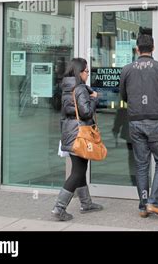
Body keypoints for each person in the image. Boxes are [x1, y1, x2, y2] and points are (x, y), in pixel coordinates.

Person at [119, 35, 158, 218]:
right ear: (152, 48)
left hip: (135, 121)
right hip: (155, 122)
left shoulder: (127, 69)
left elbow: (123, 96)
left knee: (141, 164)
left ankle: (143, 205)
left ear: (137, 49)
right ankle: (153, 202)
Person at [51, 58, 104, 221]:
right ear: (79, 72)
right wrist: (94, 98)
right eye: (87, 71)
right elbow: (86, 112)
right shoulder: (80, 88)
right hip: (79, 134)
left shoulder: (67, 87)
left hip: (70, 132)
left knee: (79, 168)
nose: (88, 74)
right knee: (78, 171)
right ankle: (59, 207)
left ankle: (86, 203)